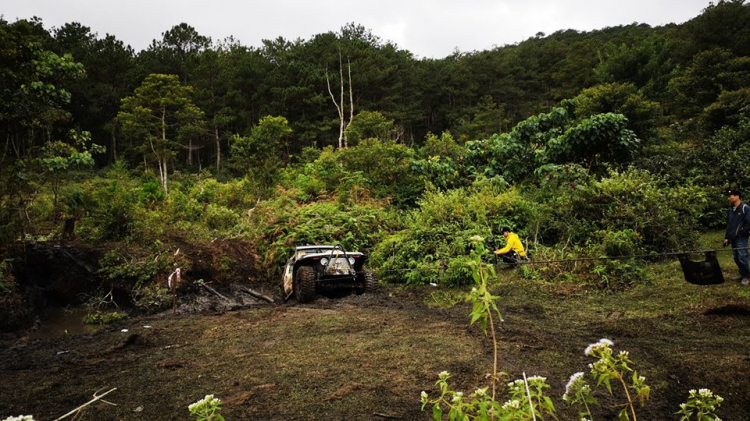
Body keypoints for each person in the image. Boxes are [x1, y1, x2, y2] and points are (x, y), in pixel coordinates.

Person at [724, 190, 750, 286]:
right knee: (736, 257)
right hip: (732, 237)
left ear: (737, 196)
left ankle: (747, 277)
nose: (728, 198)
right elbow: (729, 224)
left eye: (730, 196)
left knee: (742, 256)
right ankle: (742, 274)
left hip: (741, 237)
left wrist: (741, 232)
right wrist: (727, 237)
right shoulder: (731, 209)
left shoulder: (745, 208)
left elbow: (748, 223)